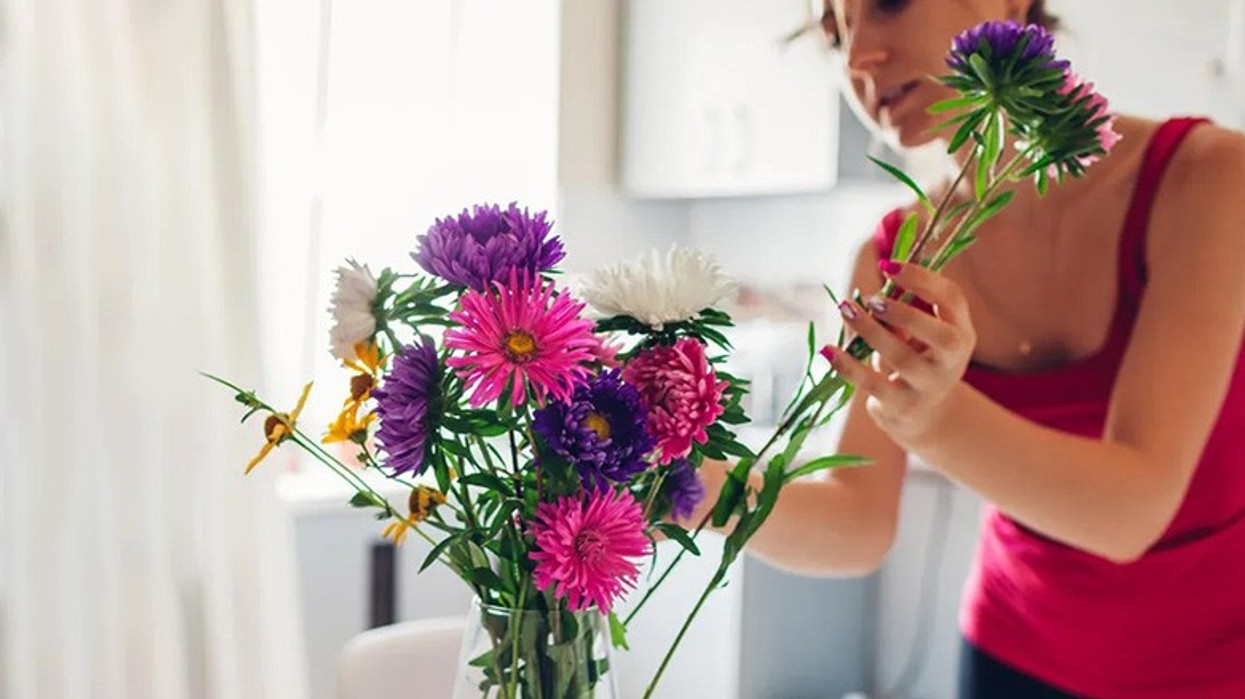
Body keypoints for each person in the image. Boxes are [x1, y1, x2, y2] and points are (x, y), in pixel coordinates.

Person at [692, 1, 1245, 697]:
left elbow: (1128, 512)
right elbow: (858, 519)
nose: (858, 58)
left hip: (1213, 672)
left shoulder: (1208, 177)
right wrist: (692, 489)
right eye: (834, 33)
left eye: (888, 4)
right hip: (1012, 654)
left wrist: (934, 417)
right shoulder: (894, 254)